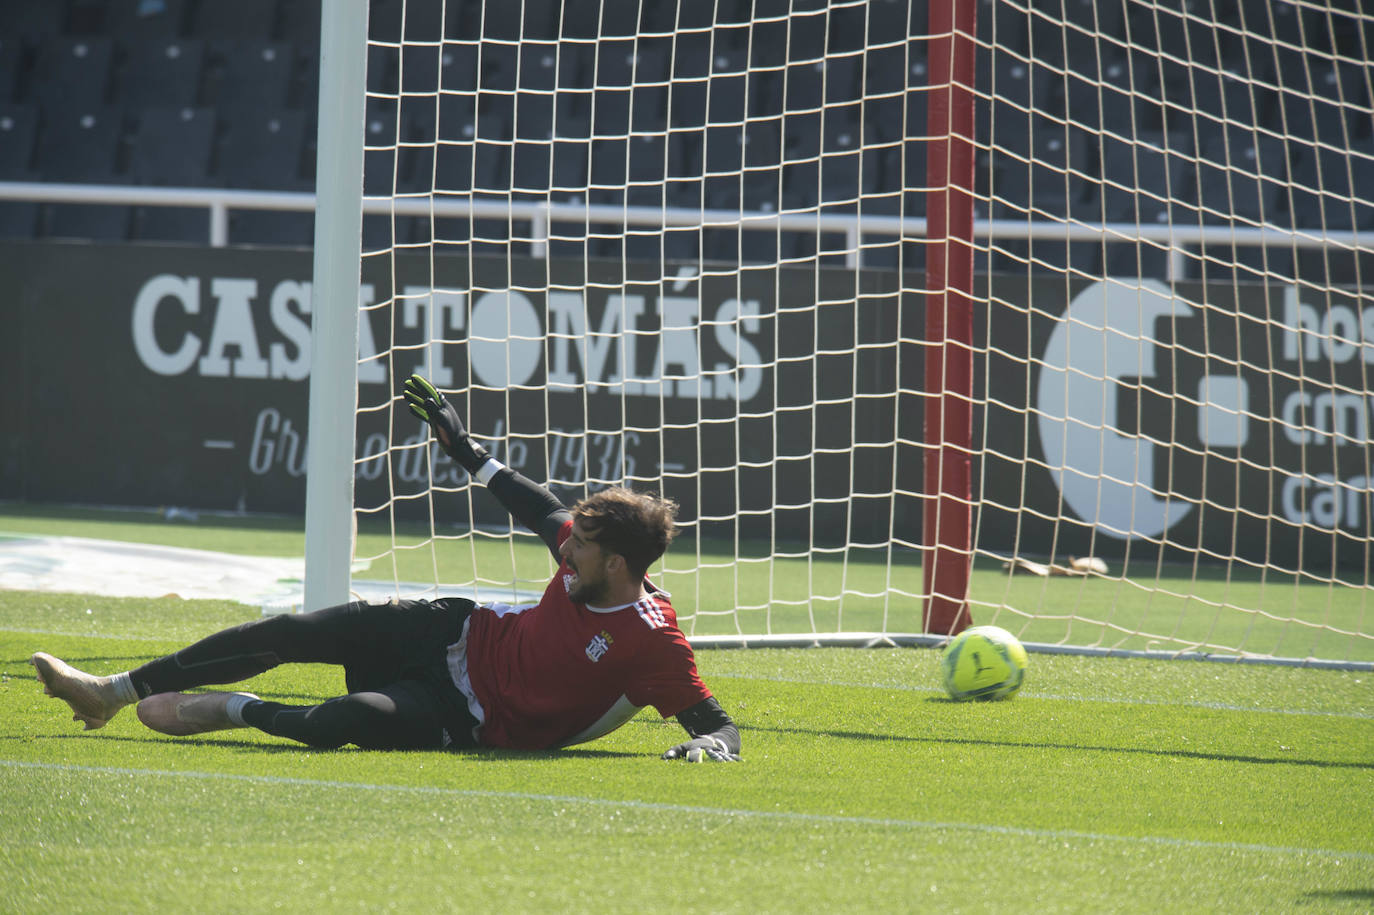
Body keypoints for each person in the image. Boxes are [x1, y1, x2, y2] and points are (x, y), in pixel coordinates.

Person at [30, 374, 740, 762]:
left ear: (617, 563)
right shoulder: (583, 549)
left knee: (336, 723)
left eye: (579, 549)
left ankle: (229, 709)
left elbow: (721, 727)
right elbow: (539, 504)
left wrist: (707, 747)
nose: (565, 551)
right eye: (569, 542)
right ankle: (111, 690)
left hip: (467, 716)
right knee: (295, 629)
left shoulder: (651, 636)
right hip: (453, 633)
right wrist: (464, 449)